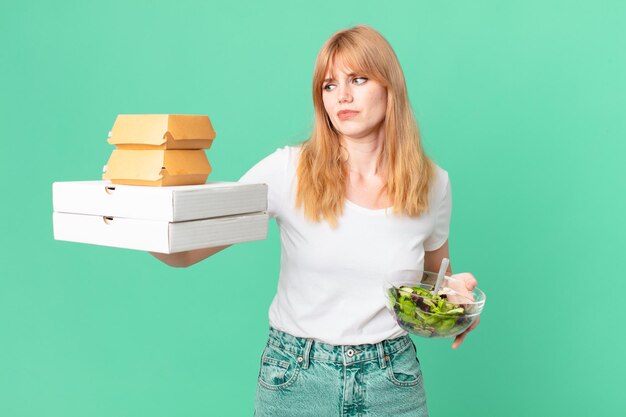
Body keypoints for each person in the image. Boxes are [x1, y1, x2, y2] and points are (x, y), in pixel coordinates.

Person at [151, 25, 480, 417]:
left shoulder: (433, 184)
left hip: (393, 380)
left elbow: (432, 285)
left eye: (358, 79)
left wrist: (455, 299)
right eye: (329, 85)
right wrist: (129, 212)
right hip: (296, 377)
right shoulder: (287, 170)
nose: (342, 95)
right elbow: (184, 254)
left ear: (389, 87)